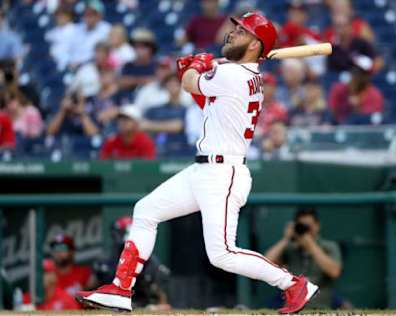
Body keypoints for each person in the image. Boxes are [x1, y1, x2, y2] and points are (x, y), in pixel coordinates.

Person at [76, 12, 319, 314]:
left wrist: (195, 66)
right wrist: (198, 68)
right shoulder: (239, 75)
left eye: (242, 32)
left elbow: (190, 83)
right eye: (236, 29)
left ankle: (294, 284)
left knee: (222, 254)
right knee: (146, 211)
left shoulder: (233, 74)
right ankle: (121, 289)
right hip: (204, 169)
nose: (231, 34)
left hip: (223, 173)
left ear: (256, 46)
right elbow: (206, 101)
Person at [265, 208, 342, 309]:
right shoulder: (291, 248)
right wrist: (286, 239)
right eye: (302, 226)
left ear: (317, 226)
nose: (306, 231)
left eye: (308, 226)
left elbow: (334, 272)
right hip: (292, 307)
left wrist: (311, 246)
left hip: (320, 306)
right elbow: (265, 263)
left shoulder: (328, 247)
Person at [93, 216, 171, 310]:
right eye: (124, 249)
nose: (127, 253)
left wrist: (151, 308)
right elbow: (89, 296)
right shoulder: (106, 262)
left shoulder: (152, 265)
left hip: (141, 307)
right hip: (110, 307)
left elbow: (165, 305)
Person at [141, 74, 190, 156]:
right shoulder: (155, 109)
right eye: (170, 84)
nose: (172, 87)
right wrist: (169, 126)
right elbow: (142, 125)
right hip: (156, 149)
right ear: (165, 87)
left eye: (175, 84)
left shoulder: (186, 110)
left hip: (180, 150)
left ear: (181, 86)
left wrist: (152, 126)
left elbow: (178, 126)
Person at [328, 55, 384, 124]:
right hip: (340, 130)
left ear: (367, 76)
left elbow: (370, 123)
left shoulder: (374, 95)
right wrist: (347, 104)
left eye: (360, 72)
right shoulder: (339, 89)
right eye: (353, 69)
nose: (355, 74)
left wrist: (357, 107)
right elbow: (332, 114)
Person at [118, 28, 157, 102]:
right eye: (136, 47)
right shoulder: (128, 66)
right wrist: (144, 80)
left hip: (151, 101)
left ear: (151, 48)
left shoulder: (157, 65)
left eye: (143, 47)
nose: (139, 50)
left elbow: (158, 82)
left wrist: (132, 81)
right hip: (128, 100)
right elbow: (122, 82)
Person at [69, 0, 111, 68]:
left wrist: (80, 64)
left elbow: (102, 55)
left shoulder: (106, 29)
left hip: (93, 67)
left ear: (100, 15)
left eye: (92, 14)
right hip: (71, 66)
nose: (88, 17)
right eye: (86, 13)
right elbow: (68, 50)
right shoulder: (76, 29)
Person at [256, 73, 288, 137]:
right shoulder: (250, 107)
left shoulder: (280, 109)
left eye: (267, 86)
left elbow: (281, 133)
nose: (263, 89)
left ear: (274, 89)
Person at [45, 6, 76, 70]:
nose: (59, 18)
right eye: (58, 16)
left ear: (69, 17)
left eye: (62, 16)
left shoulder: (75, 30)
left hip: (67, 65)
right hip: (51, 64)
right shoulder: (52, 32)